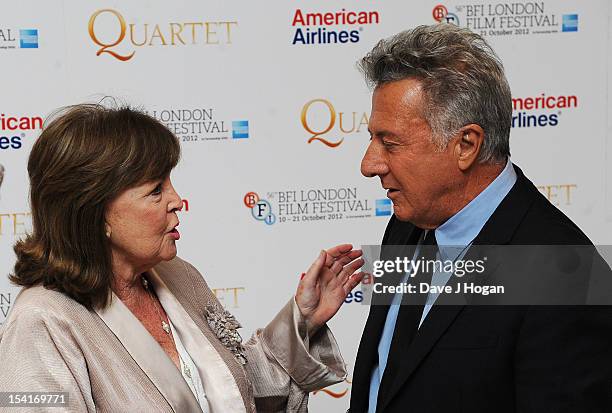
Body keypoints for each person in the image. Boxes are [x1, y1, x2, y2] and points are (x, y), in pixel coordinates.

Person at [0, 104, 364, 412]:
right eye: (155, 190)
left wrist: (301, 319)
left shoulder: (179, 277)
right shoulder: (41, 321)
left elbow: (236, 391)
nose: (177, 200)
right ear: (95, 212)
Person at [349, 24, 612, 412]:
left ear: (466, 145)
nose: (369, 165)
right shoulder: (406, 225)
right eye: (371, 139)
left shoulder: (566, 276)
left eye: (390, 143)